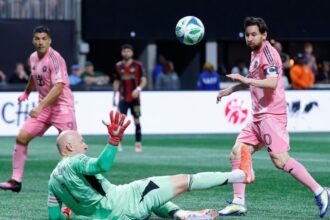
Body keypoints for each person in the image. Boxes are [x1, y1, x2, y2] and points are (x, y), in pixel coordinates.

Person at [216, 17, 329, 218]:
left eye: (254, 34)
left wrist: (244, 79)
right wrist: (231, 90)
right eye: (247, 35)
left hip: (271, 116)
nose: (249, 38)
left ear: (264, 35)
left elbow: (271, 82)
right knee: (237, 152)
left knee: (280, 160)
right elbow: (254, 80)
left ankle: (321, 191)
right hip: (258, 117)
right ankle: (238, 202)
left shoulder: (268, 53)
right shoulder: (254, 53)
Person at [47, 110, 254, 220]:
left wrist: (67, 212)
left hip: (112, 216)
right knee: (185, 180)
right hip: (127, 200)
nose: (85, 144)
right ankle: (240, 175)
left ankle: (181, 215)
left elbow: (54, 218)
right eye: (81, 141)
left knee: (155, 198)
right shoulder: (74, 161)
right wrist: (113, 141)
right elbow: (101, 166)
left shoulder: (52, 182)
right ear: (68, 146)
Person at [0, 26, 77, 192]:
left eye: (44, 38)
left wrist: (39, 106)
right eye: (37, 38)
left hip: (62, 107)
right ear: (33, 40)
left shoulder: (56, 58)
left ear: (50, 41)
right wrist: (26, 92)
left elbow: (58, 87)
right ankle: (16, 181)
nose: (40, 42)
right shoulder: (33, 57)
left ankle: (76, 185)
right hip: (44, 108)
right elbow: (34, 77)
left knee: (71, 148)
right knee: (22, 137)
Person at [113, 44, 147, 152]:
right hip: (123, 98)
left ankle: (138, 143)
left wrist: (138, 89)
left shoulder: (138, 65)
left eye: (128, 51)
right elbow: (116, 81)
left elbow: (144, 80)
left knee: (136, 120)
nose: (126, 53)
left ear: (132, 53)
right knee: (120, 122)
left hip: (135, 99)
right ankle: (119, 143)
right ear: (122, 53)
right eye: (124, 51)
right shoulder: (118, 66)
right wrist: (114, 95)